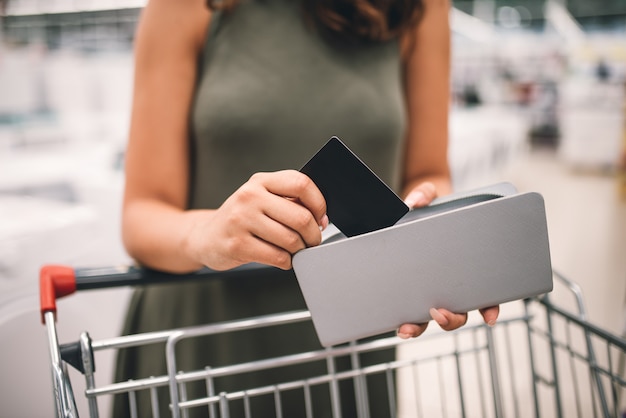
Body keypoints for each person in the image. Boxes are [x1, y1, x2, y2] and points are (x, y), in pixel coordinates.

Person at [112, 0, 500, 416]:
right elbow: (142, 214)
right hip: (201, 343)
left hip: (350, 340)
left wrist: (434, 243)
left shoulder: (417, 7)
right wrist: (207, 233)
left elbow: (428, 175)